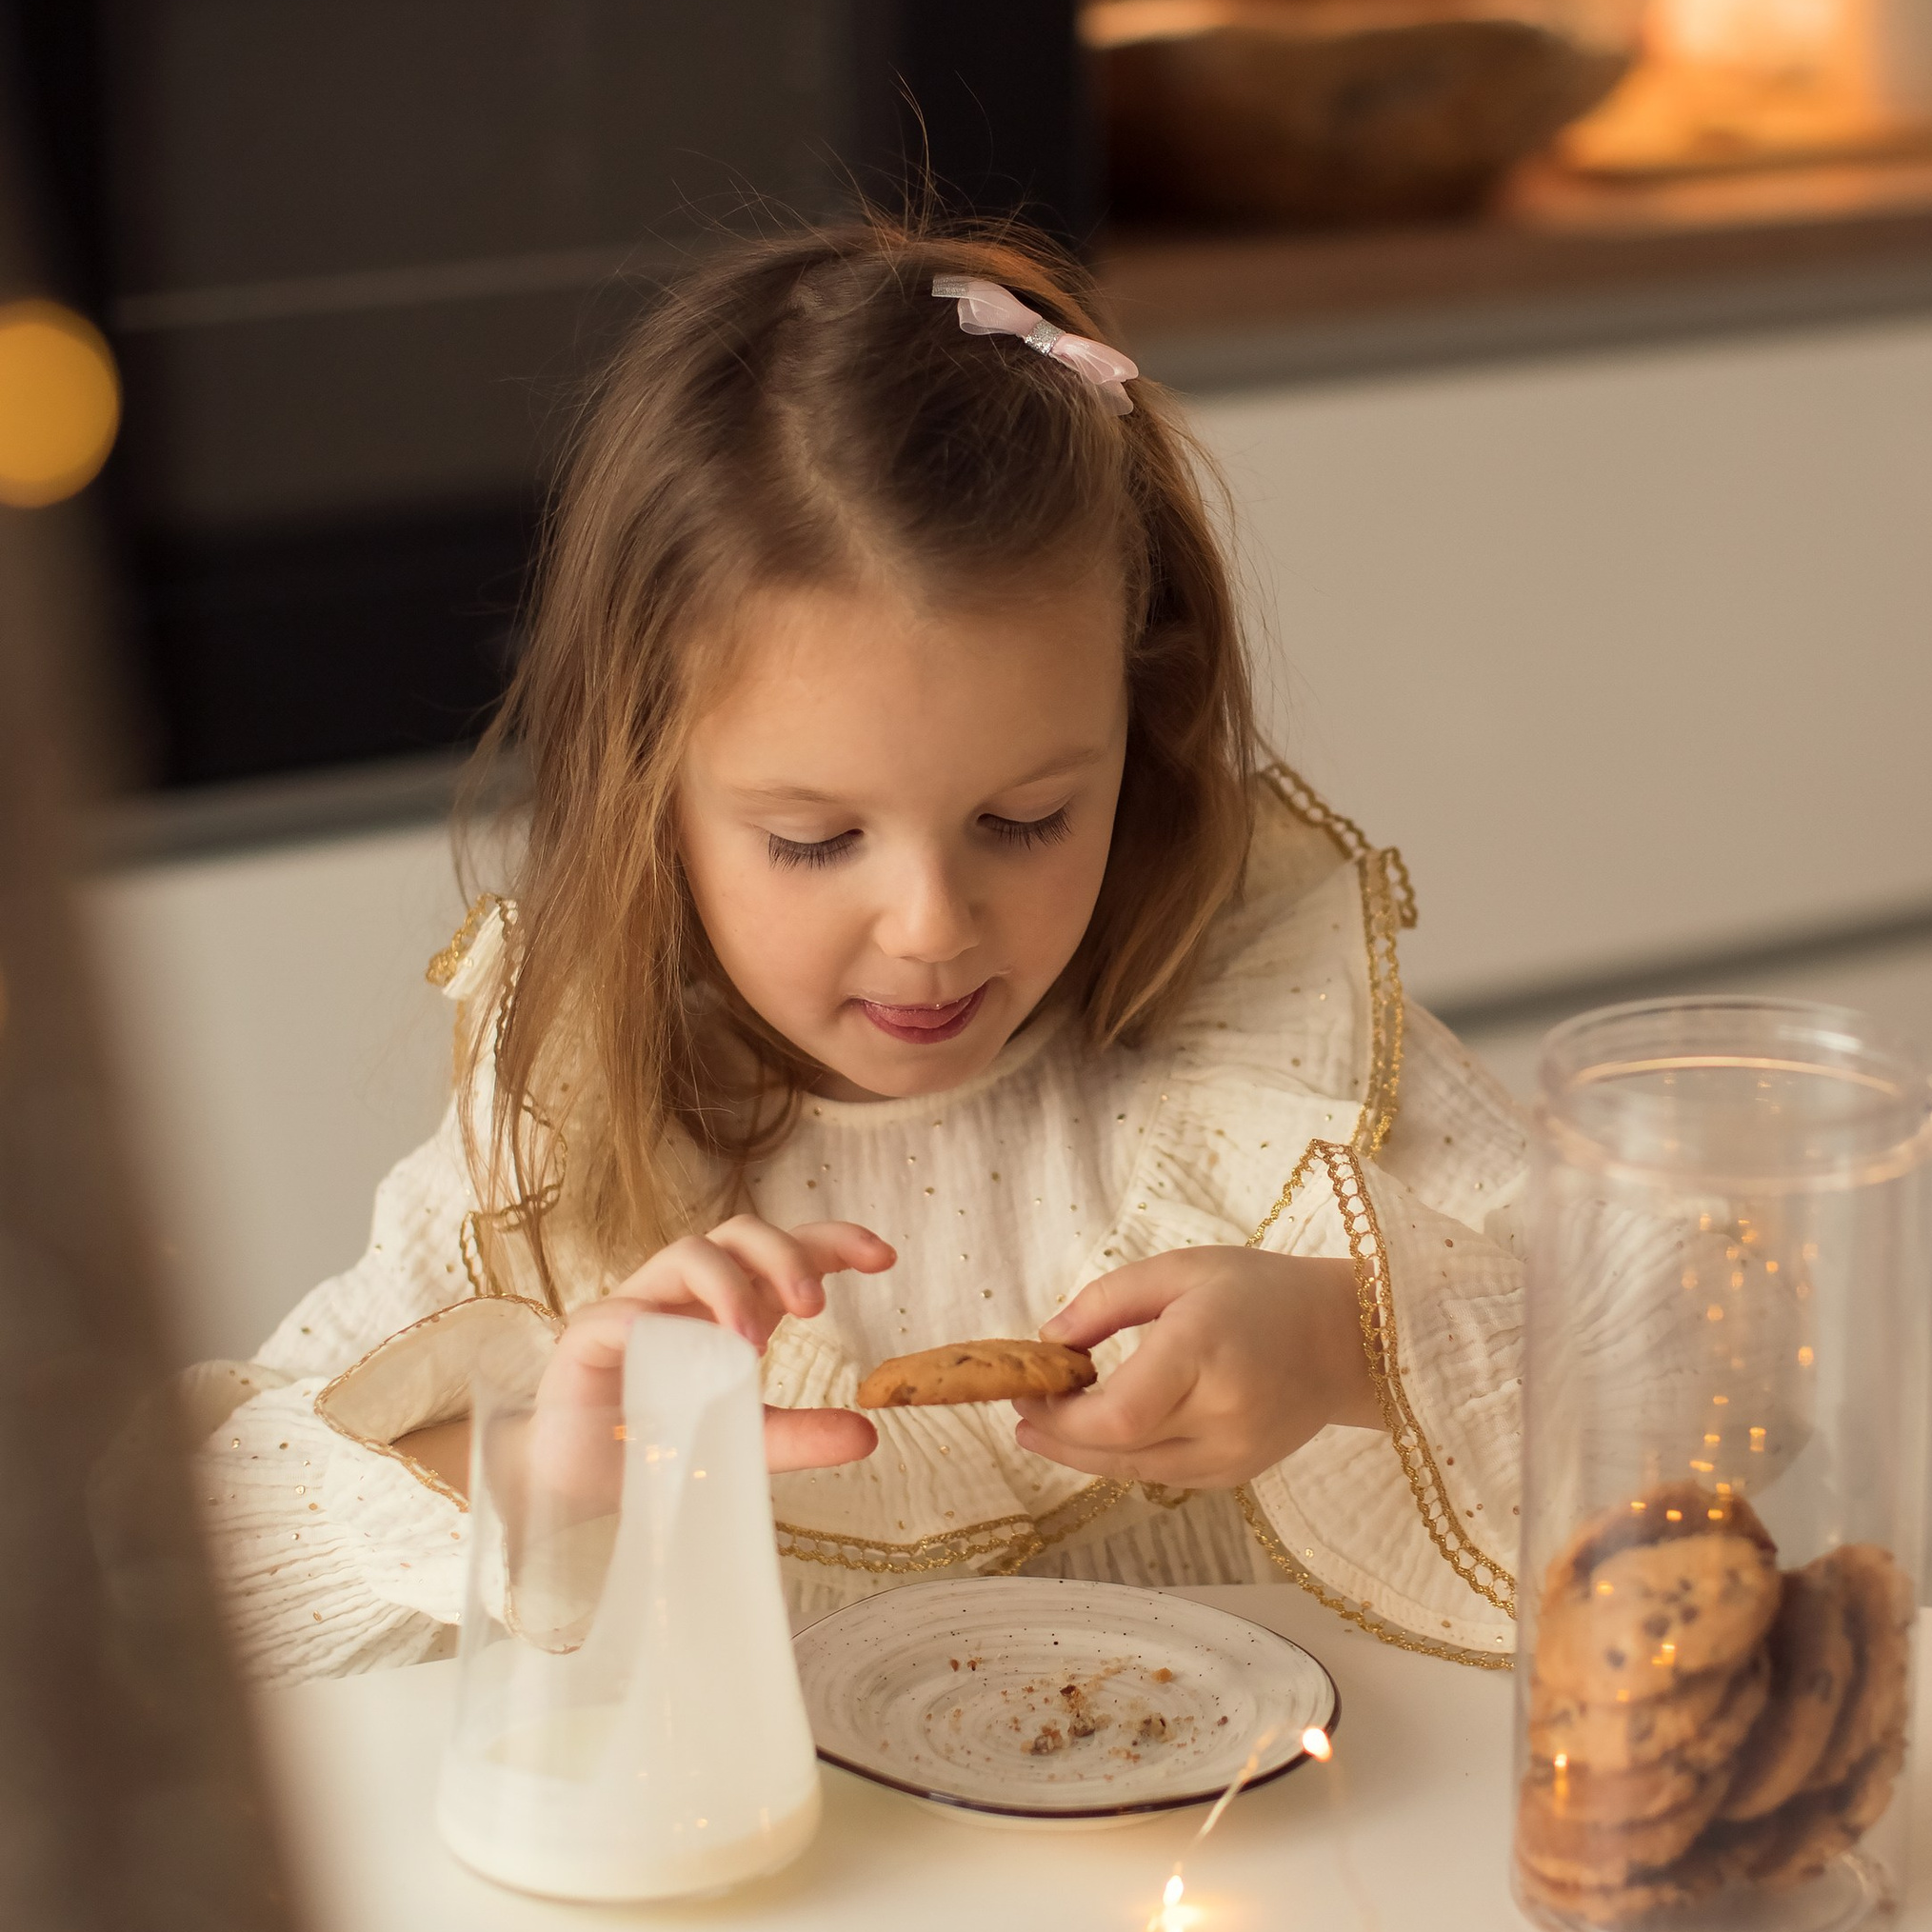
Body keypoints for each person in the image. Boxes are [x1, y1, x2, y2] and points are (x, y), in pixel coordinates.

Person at [194, 223, 1526, 1681]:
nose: (933, 928)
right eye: (817, 841)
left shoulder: (1257, 1052)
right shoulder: (564, 1144)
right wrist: (532, 1458)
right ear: (654, 796)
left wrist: (1353, 1343)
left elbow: (1708, 1344)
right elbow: (185, 1568)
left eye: (1025, 817)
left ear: (1136, 726)